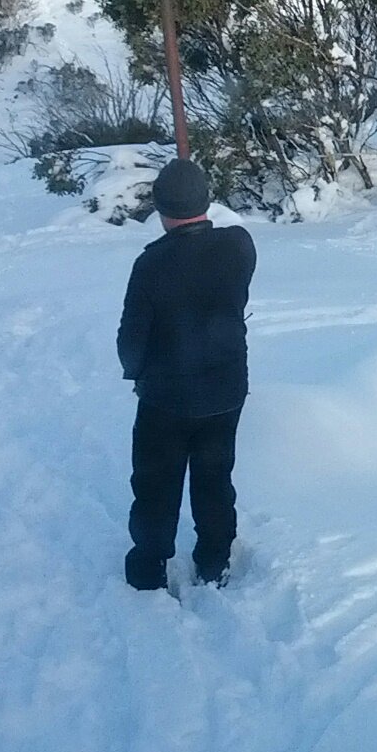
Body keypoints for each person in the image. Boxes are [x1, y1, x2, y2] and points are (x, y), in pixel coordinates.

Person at [116, 158, 256, 592]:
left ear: (160, 210)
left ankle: (148, 567)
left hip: (166, 397)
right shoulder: (239, 246)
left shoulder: (152, 264)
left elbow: (131, 340)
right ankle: (215, 559)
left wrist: (134, 371)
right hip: (226, 390)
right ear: (207, 202)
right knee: (215, 478)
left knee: (156, 483)